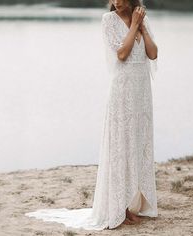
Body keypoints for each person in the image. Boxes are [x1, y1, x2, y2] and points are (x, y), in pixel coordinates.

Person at [24, 0, 158, 230]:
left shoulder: (141, 19)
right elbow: (122, 54)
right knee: (120, 147)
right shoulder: (108, 21)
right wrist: (134, 25)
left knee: (138, 145)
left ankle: (133, 203)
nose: (116, 1)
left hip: (142, 93)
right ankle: (119, 208)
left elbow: (153, 54)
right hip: (122, 91)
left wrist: (142, 27)